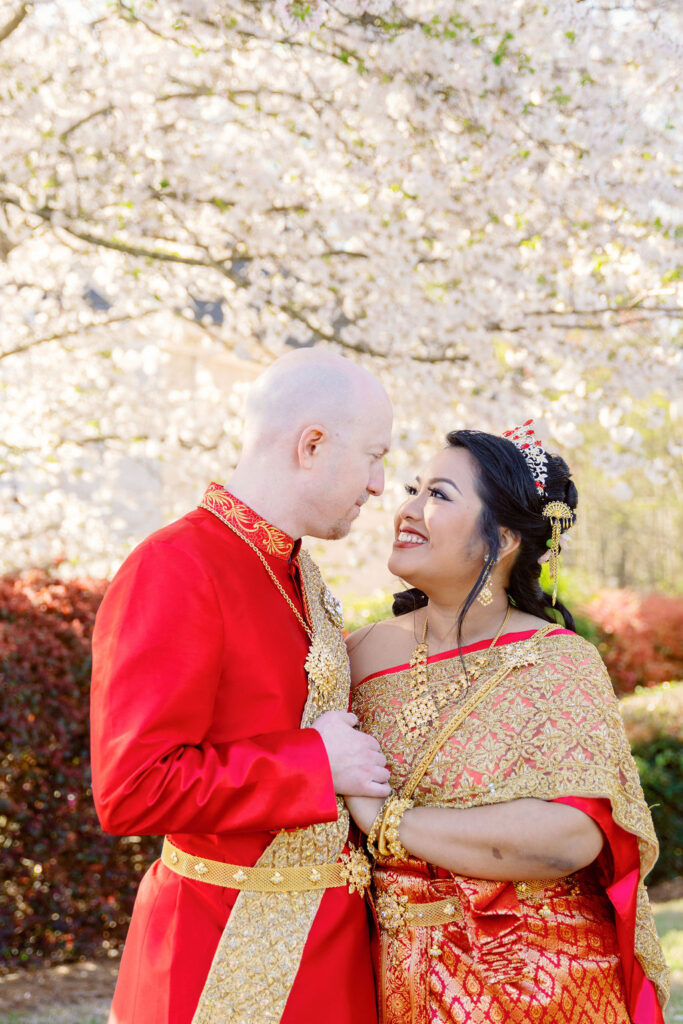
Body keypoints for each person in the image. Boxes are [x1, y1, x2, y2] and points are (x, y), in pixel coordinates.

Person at [90, 350, 394, 1024]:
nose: (378, 486)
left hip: (333, 960)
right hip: (214, 958)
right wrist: (314, 763)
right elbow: (130, 791)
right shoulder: (174, 567)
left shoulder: (298, 573)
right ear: (311, 444)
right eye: (374, 456)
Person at [346, 425, 669, 1024]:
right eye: (414, 488)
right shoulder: (354, 655)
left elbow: (572, 836)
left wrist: (390, 822)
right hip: (392, 976)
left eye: (439, 495)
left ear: (502, 538)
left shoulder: (557, 660)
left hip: (541, 979)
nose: (407, 508)